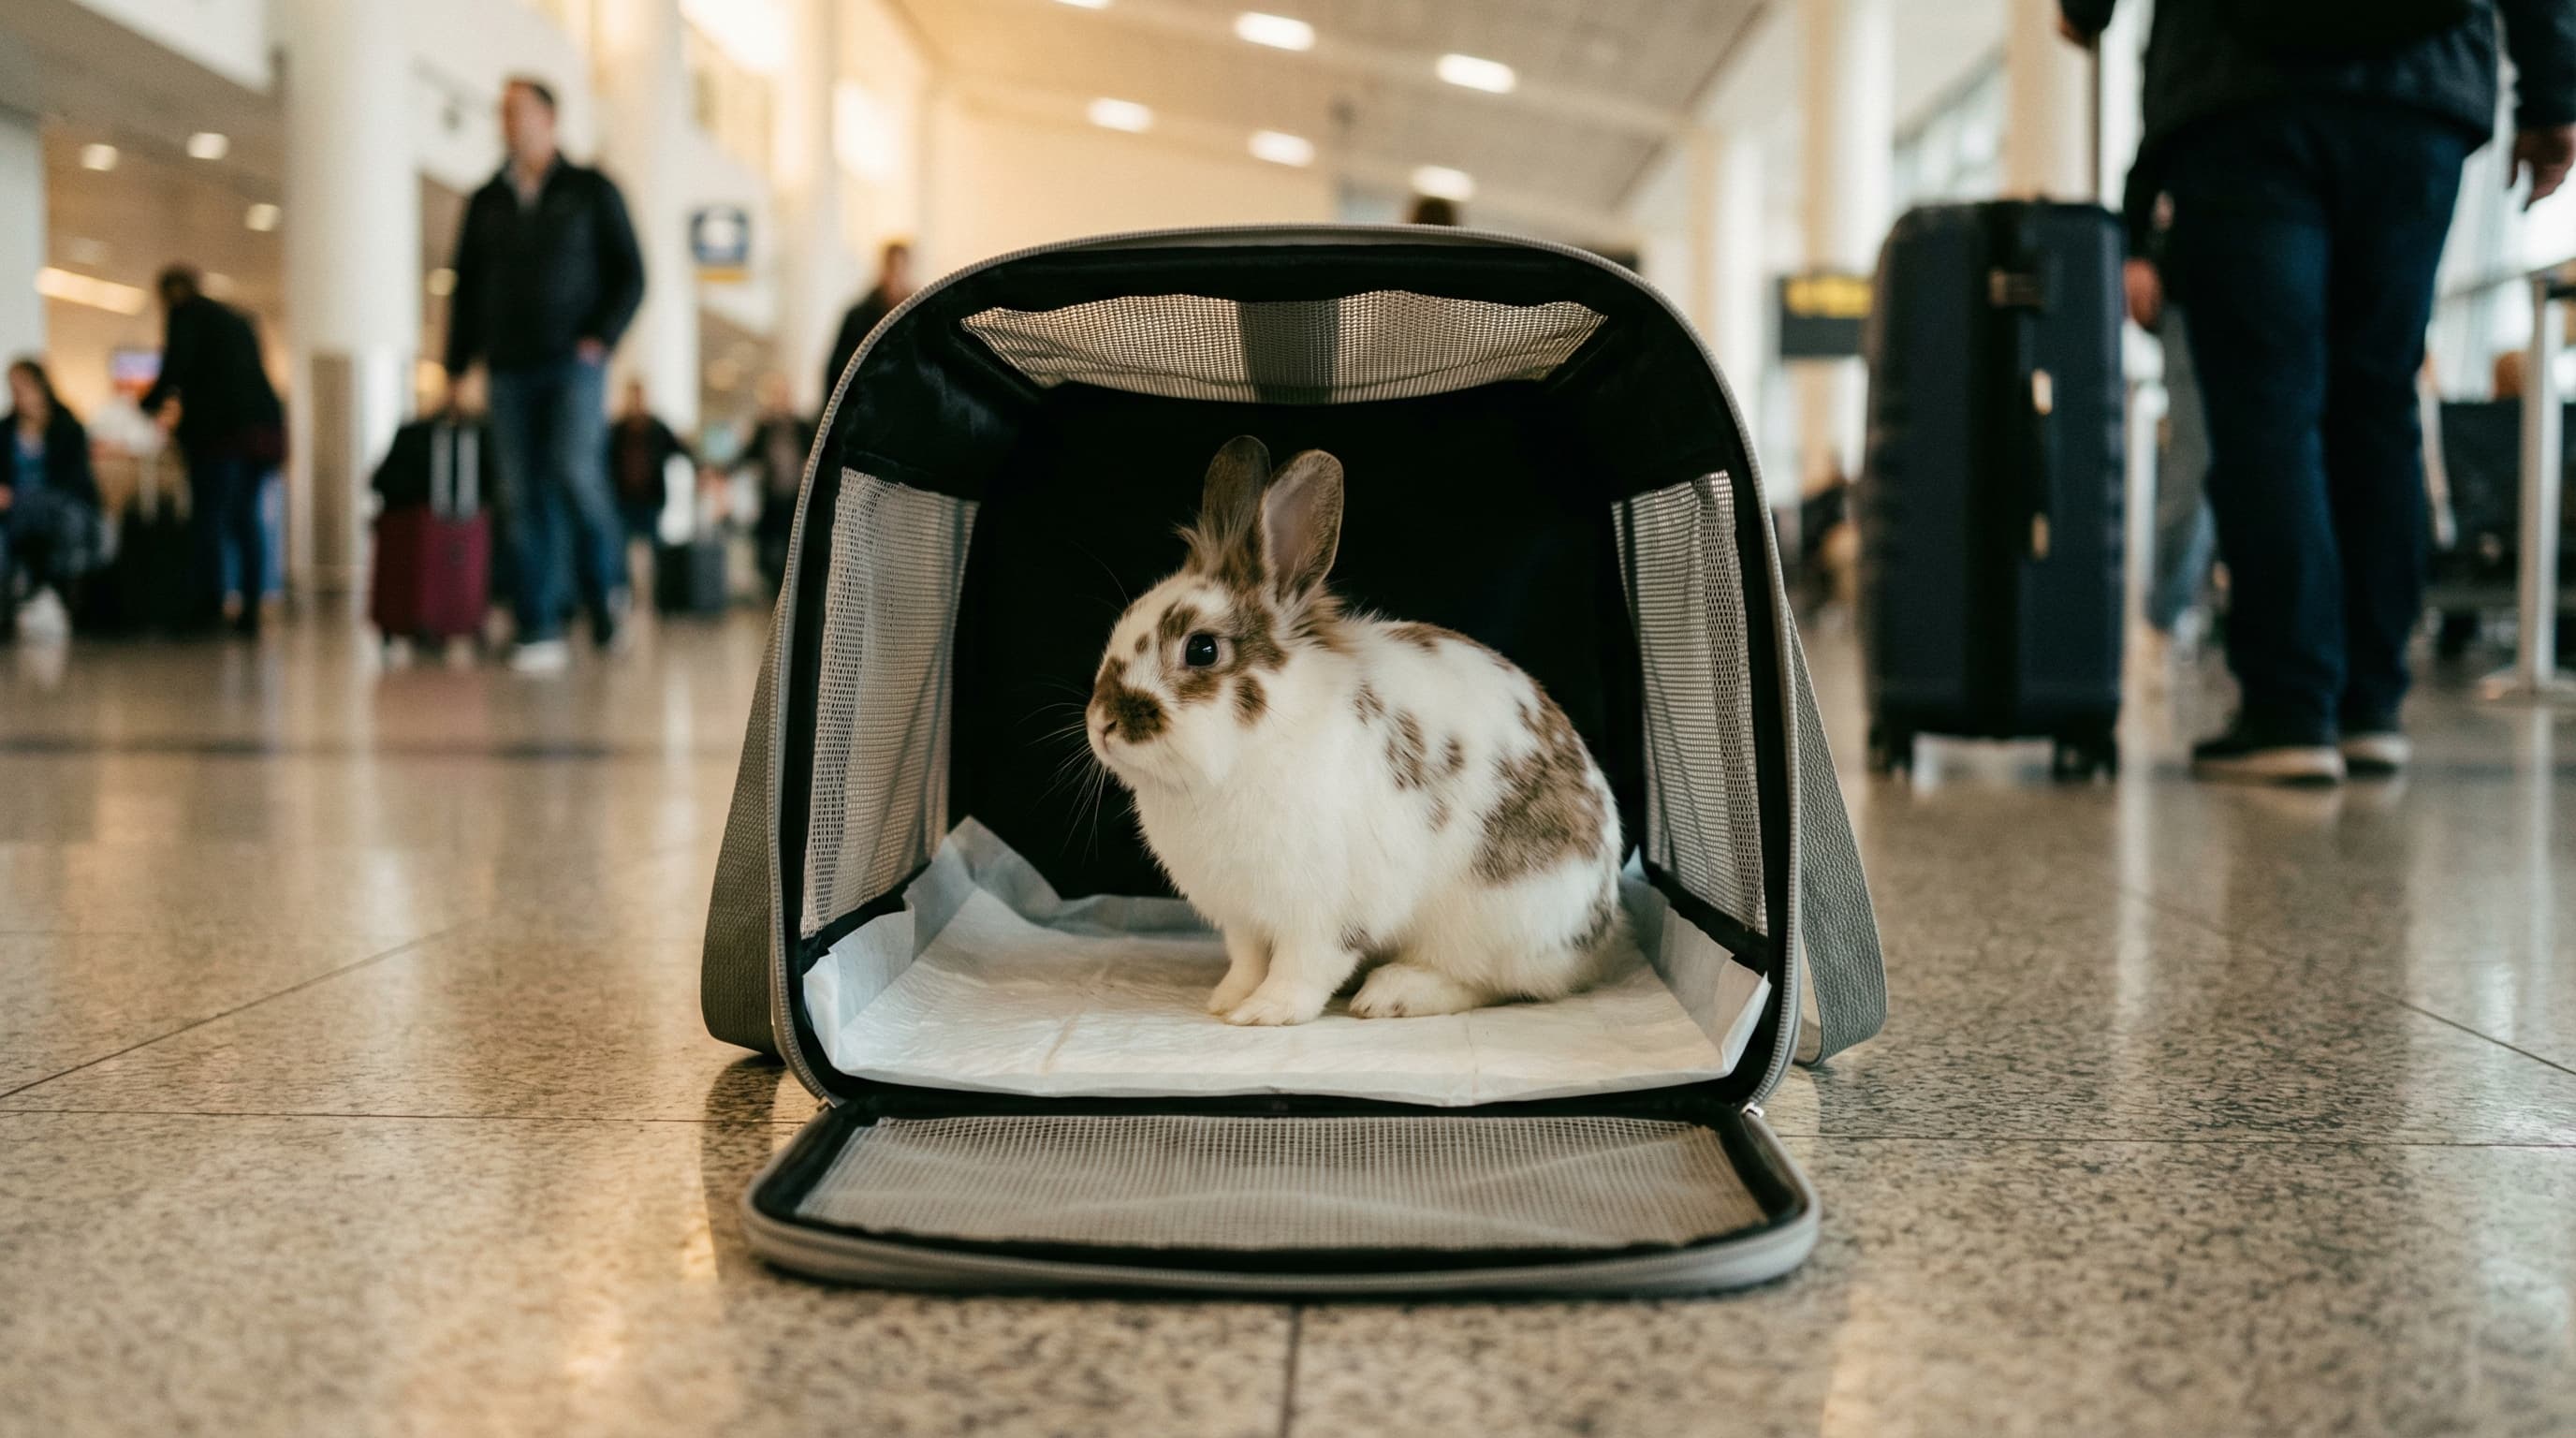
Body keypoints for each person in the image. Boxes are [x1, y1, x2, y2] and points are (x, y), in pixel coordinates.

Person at [2063, 0, 2576, 784]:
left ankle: (2291, 707)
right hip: (2418, 85)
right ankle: (2370, 706)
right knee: (2378, 399)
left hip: (2241, 83)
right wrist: (2551, 92)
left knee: (2267, 404)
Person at [446, 74, 646, 673]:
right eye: (504, 113)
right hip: (507, 366)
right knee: (518, 490)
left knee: (574, 471)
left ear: (550, 120)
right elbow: (466, 289)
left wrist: (600, 339)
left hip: (571, 362)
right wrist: (455, 367)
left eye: (521, 112)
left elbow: (632, 274)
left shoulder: (590, 190)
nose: (510, 123)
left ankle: (608, 594)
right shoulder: (487, 200)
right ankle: (538, 621)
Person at [139, 264, 285, 637]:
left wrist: (145, 405)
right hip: (264, 431)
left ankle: (207, 606)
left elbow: (176, 369)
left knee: (210, 520)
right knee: (245, 519)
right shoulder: (237, 319)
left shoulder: (186, 315)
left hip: (221, 436)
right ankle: (249, 608)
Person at [2, 360, 102, 641]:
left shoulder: (67, 427)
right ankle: (10, 609)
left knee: (66, 518)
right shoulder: (6, 431)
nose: (18, 394)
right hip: (16, 511)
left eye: (23, 386)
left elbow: (74, 483)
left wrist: (21, 497)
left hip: (57, 504)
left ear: (40, 385)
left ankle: (67, 599)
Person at [821, 241, 915, 406]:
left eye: (901, 270)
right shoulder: (857, 317)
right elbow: (838, 370)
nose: (896, 278)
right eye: (892, 268)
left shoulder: (917, 317)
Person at [743, 373, 813, 593]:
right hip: (771, 499)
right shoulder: (764, 428)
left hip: (796, 498)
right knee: (769, 551)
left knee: (793, 547)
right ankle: (775, 591)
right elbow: (749, 457)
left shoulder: (802, 427)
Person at [606, 376, 693, 550]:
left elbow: (680, 450)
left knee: (653, 542)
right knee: (622, 543)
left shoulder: (657, 427)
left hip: (650, 495)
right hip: (624, 495)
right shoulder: (618, 429)